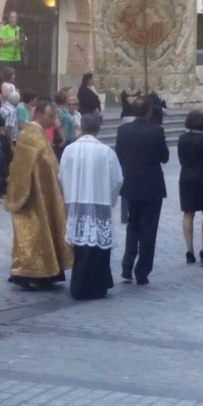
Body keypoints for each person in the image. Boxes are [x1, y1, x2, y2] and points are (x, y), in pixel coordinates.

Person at [5, 99, 73, 290]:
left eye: (55, 116)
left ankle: (47, 272)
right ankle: (27, 272)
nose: (54, 120)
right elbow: (23, 167)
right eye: (51, 116)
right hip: (33, 197)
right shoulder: (29, 134)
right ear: (40, 114)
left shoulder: (38, 134)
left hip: (45, 194)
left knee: (44, 234)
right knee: (33, 235)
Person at [59, 114, 122, 300]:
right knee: (99, 250)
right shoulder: (106, 152)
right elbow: (117, 180)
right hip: (99, 202)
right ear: (98, 129)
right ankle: (98, 286)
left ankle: (79, 287)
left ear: (81, 127)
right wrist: (109, 199)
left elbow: (62, 177)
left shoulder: (69, 150)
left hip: (77, 202)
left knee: (81, 248)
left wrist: (70, 196)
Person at [115, 96, 169, 284]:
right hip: (152, 186)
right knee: (149, 229)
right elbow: (165, 157)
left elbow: (119, 155)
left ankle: (127, 266)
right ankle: (142, 270)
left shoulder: (123, 131)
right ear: (148, 111)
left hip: (131, 184)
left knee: (133, 225)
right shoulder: (156, 131)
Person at [177, 110, 203, 264]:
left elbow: (181, 159)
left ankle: (189, 249)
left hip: (186, 178)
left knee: (188, 213)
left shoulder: (182, 138)